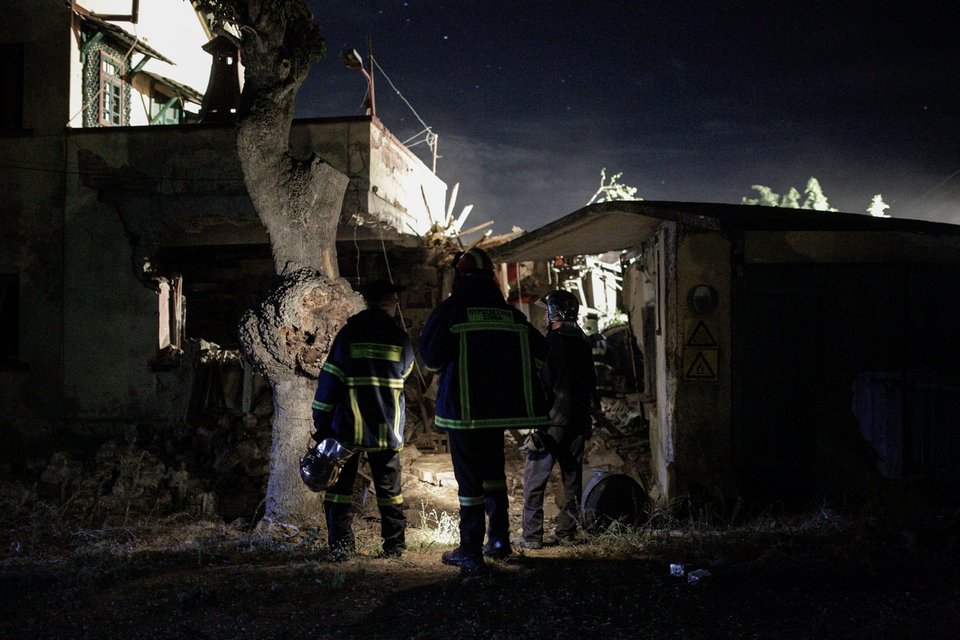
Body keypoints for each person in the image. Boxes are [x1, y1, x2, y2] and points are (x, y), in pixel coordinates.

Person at [418, 248, 549, 574]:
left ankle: (470, 551)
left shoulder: (451, 312)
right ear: (491, 278)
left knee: (469, 482)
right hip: (498, 412)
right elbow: (541, 353)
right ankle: (500, 541)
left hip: (463, 412)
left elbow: (431, 359)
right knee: (494, 476)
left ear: (459, 277)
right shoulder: (510, 315)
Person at [310, 279, 415, 559]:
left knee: (340, 488)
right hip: (386, 428)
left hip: (349, 427)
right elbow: (405, 374)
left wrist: (321, 422)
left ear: (366, 303)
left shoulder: (349, 334)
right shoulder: (400, 338)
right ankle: (395, 546)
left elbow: (330, 381)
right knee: (390, 490)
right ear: (391, 304)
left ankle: (342, 546)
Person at [519, 289, 597, 548]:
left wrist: (535, 417)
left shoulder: (552, 342)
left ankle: (532, 537)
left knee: (535, 479)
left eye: (546, 312)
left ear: (555, 313)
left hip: (552, 422)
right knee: (572, 479)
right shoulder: (583, 342)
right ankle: (566, 533)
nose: (544, 317)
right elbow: (591, 383)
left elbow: (543, 382)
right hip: (578, 420)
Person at [583, 313, 613, 414]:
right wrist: (609, 368)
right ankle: (600, 412)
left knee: (593, 395)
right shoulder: (604, 339)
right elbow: (610, 355)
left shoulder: (589, 340)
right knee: (599, 393)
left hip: (592, 370)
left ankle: (598, 414)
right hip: (603, 370)